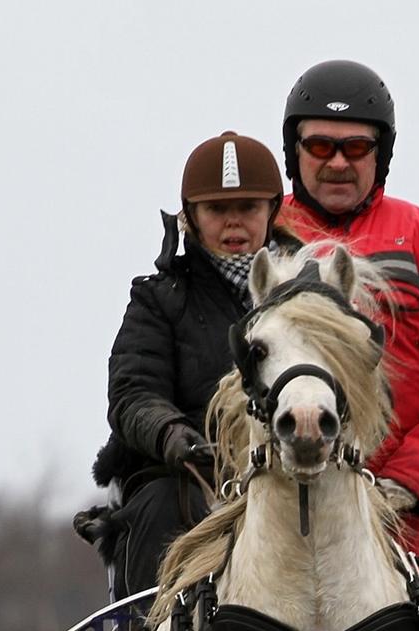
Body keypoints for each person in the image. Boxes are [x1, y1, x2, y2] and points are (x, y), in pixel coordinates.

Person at [278, 59, 419, 577]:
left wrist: (407, 482)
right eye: (320, 146)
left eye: (356, 148)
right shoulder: (258, 239)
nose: (338, 162)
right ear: (294, 151)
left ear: (380, 155)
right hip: (273, 526)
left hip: (396, 536)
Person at [76, 130, 284, 598]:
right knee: (162, 505)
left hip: (288, 464)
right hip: (185, 477)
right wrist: (171, 434)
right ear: (190, 217)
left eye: (248, 208)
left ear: (273, 211)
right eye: (216, 210)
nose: (234, 224)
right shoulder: (157, 299)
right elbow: (132, 392)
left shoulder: (303, 297)